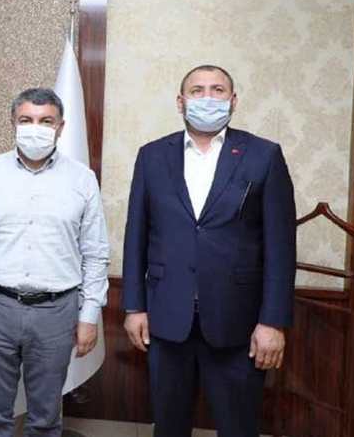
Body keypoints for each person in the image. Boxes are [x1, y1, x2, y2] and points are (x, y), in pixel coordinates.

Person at [122, 65, 296, 437]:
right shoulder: (152, 156)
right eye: (197, 90)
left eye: (217, 90)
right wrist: (134, 307)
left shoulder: (263, 155)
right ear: (180, 101)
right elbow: (136, 233)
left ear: (233, 101)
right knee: (169, 427)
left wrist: (273, 322)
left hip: (239, 323)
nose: (207, 98)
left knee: (239, 427)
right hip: (167, 318)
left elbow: (281, 247)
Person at [0, 88, 110, 437]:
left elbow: (95, 253)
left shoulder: (82, 178)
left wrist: (89, 316)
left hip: (56, 311)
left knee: (45, 419)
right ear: (13, 122)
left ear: (61, 127)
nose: (35, 128)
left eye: (45, 121)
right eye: (26, 120)